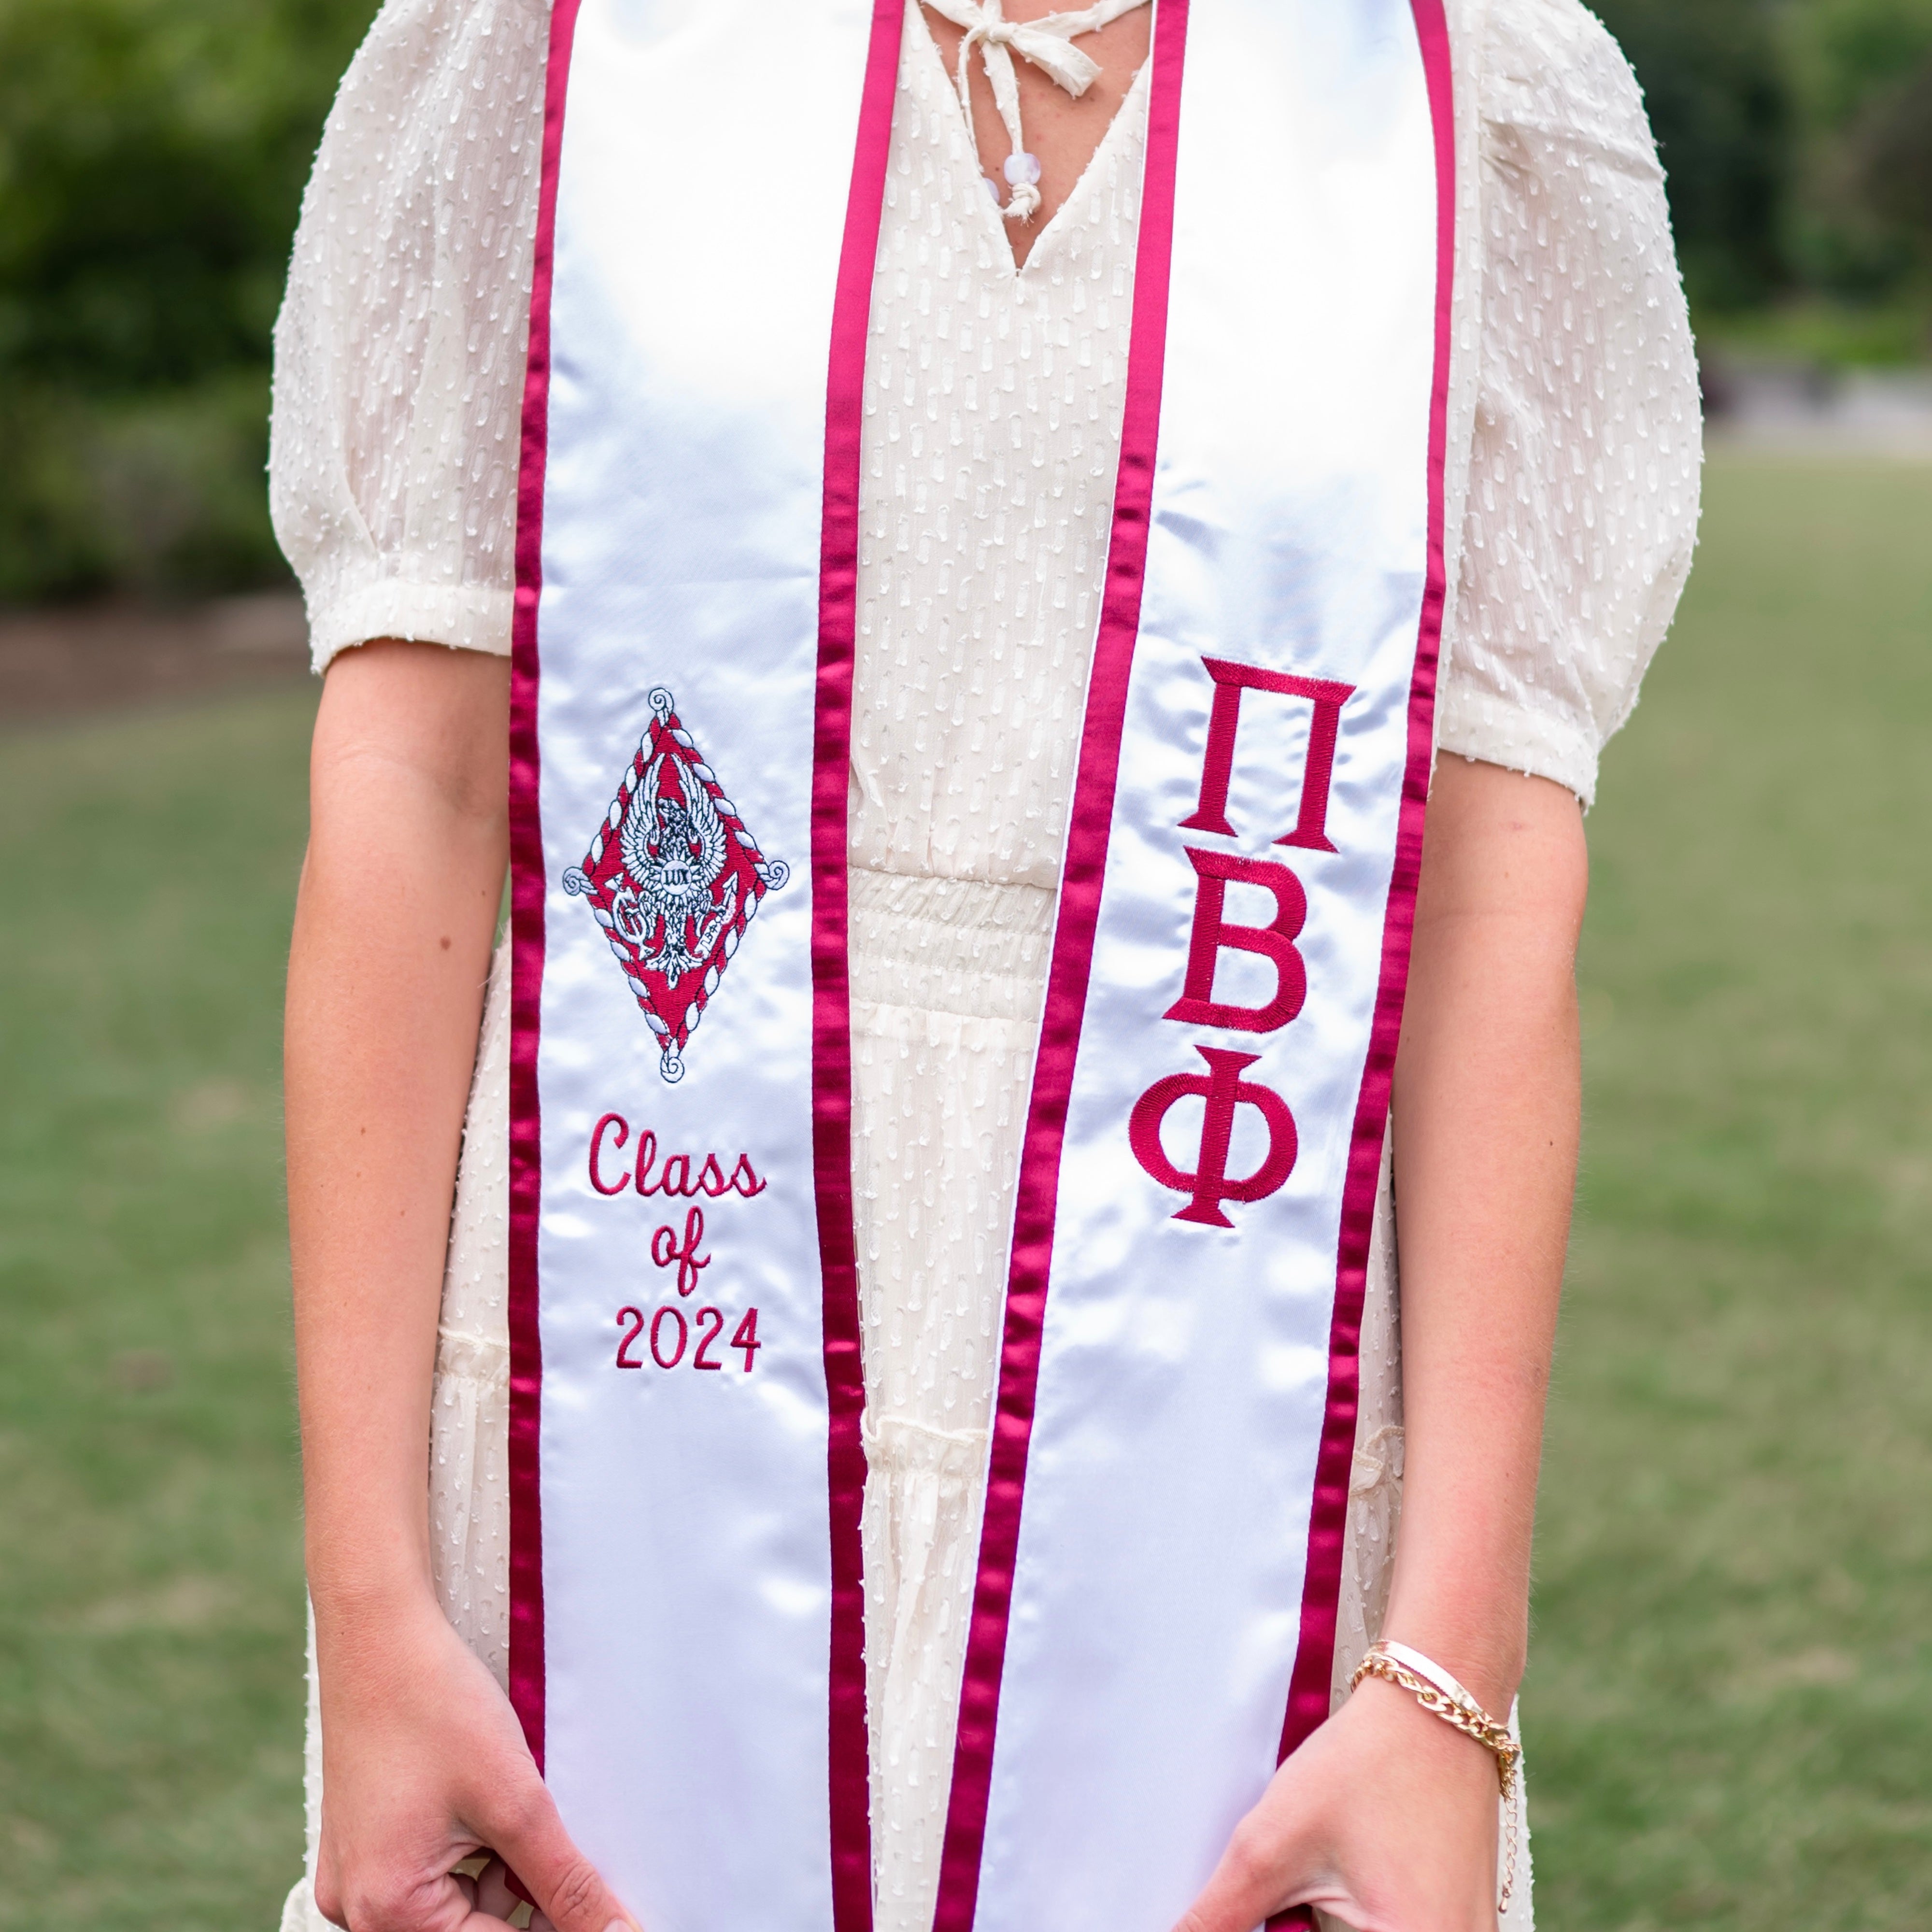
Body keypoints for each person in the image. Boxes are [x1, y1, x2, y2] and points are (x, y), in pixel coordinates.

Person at [273, 2, 1700, 1929]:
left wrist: (1443, 1683)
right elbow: (413, 795)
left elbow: (1492, 916)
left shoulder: (1472, 83)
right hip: (616, 1392)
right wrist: (370, 1611)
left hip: (1228, 1409)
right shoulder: (561, 44)